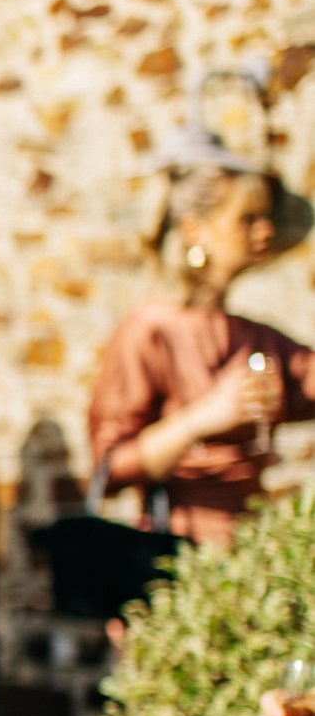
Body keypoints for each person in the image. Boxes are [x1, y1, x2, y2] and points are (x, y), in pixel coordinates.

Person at [90, 130, 313, 544]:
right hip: (181, 567)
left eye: (265, 218)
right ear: (195, 230)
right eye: (247, 219)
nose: (264, 231)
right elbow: (109, 471)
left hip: (255, 557)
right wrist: (203, 417)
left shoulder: (253, 336)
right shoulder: (149, 331)